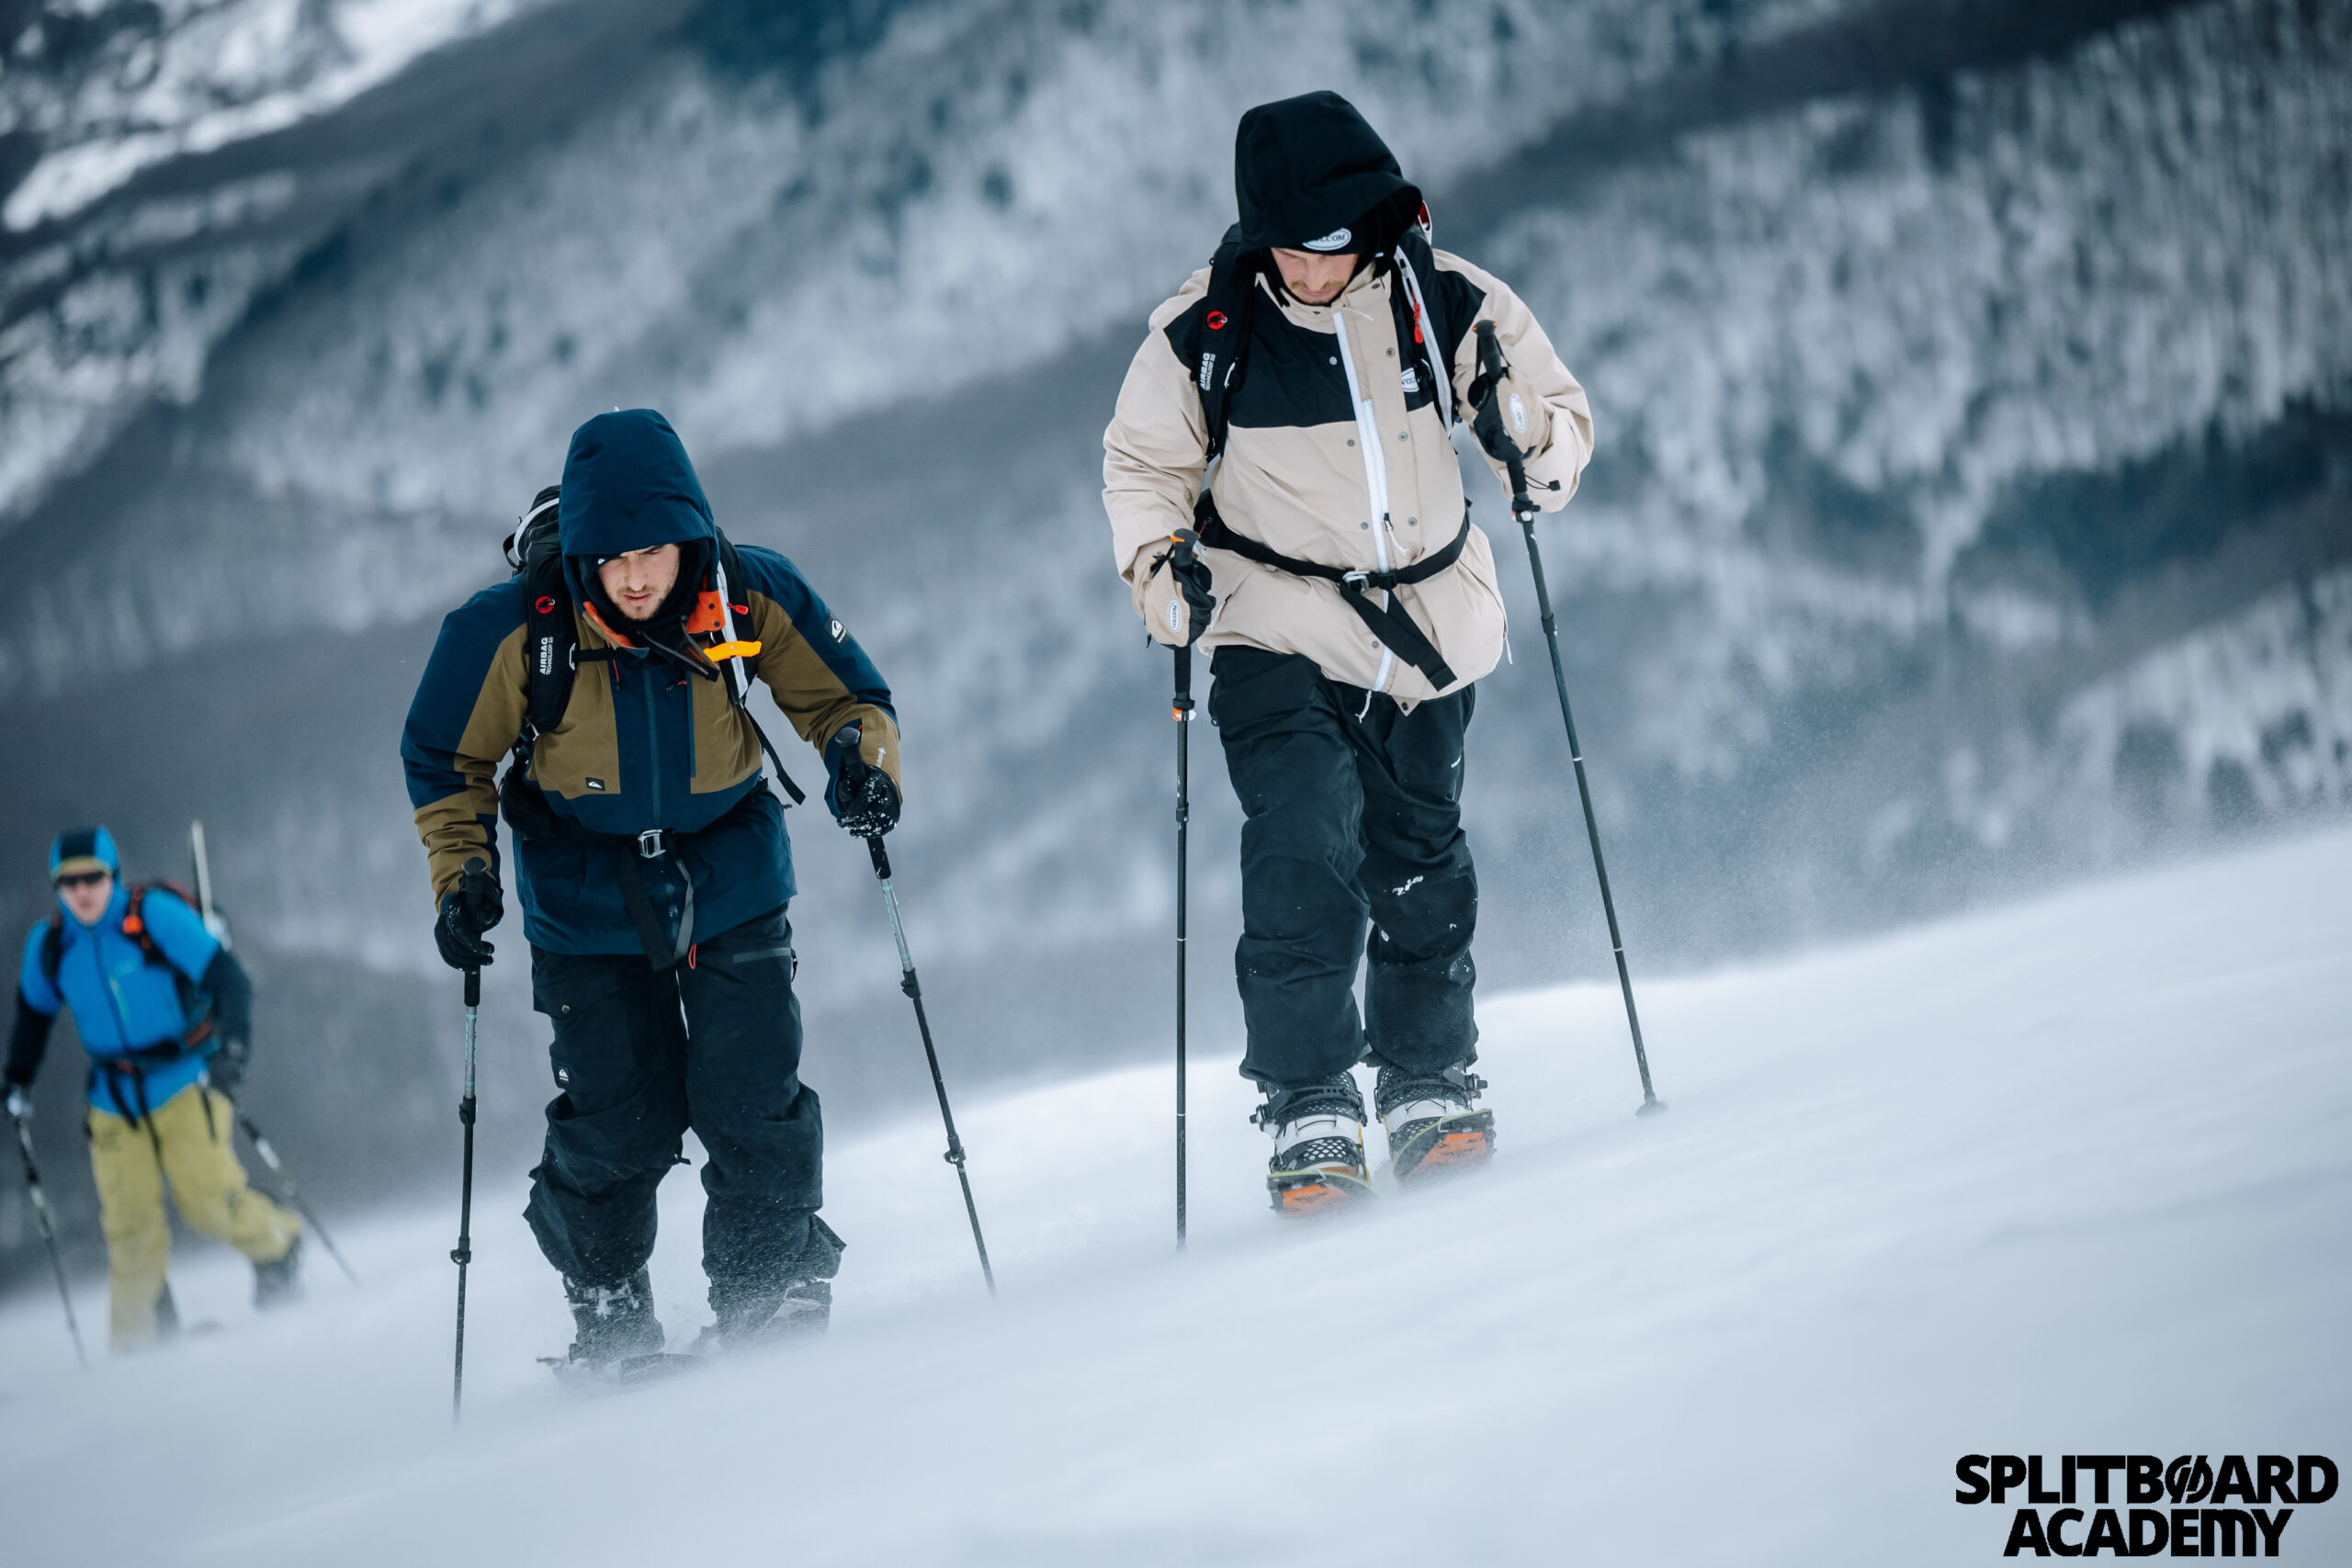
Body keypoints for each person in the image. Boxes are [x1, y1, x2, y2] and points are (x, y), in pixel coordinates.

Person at [1102, 91, 1593, 1213]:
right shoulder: (1204, 331)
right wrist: (1158, 571)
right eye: (1291, 247)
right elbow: (1140, 472)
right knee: (1300, 848)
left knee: (1417, 854)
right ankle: (1311, 1101)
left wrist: (1529, 446)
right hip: (1271, 622)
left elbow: (1560, 433)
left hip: (1426, 632)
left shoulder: (1444, 298)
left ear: (1373, 218)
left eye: (1333, 244)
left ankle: (1427, 1080)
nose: (1314, 269)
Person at [401, 408, 901, 1369]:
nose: (634, 576)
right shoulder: (511, 630)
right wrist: (462, 874)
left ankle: (767, 1285)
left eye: (654, 552)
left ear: (689, 535)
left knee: (749, 1087)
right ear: (582, 550)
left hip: (730, 862)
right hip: (582, 887)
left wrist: (859, 763)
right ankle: (607, 1299)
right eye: (613, 557)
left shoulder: (745, 589)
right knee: (621, 1113)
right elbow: (444, 755)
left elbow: (845, 695)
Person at [6, 827, 302, 1347]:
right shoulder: (51, 946)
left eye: (92, 877)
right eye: (69, 881)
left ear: (112, 876)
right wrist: (18, 1082)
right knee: (130, 1234)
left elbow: (229, 978)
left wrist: (234, 1050)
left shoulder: (153, 918)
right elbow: (33, 1015)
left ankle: (280, 1247)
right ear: (57, 886)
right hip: (112, 1099)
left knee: (208, 1201)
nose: (82, 891)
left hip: (187, 1079)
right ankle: (138, 1356)